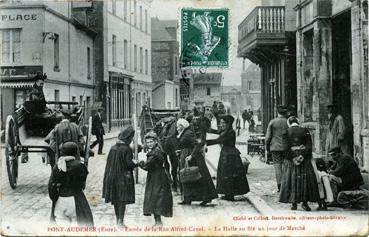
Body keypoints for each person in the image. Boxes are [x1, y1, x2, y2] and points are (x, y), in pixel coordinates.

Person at [279, 117, 320, 211]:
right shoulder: (305, 131)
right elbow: (309, 146)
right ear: (298, 122)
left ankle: (294, 204)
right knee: (305, 180)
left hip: (292, 160)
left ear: (289, 123)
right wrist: (302, 155)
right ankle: (305, 204)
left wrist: (293, 157)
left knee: (292, 180)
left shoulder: (286, 132)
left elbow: (285, 149)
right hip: (304, 159)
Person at [48, 142, 94, 226]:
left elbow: (51, 186)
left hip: (60, 200)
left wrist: (55, 198)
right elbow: (82, 184)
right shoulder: (80, 166)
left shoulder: (57, 166)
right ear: (76, 153)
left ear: (62, 153)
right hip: (75, 200)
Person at [102, 126, 139, 228]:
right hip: (122, 178)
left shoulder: (113, 148)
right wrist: (135, 163)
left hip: (112, 176)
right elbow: (128, 164)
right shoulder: (126, 149)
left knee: (115, 198)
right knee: (122, 199)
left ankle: (117, 219)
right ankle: (120, 221)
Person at [175, 118, 218, 206]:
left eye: (178, 126)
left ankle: (204, 198)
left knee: (195, 177)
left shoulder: (188, 133)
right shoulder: (185, 133)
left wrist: (191, 155)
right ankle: (188, 198)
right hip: (187, 154)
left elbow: (196, 144)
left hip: (193, 158)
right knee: (187, 177)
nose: (177, 128)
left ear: (182, 126)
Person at [207, 115, 250, 201]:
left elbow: (219, 140)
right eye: (221, 122)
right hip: (226, 154)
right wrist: (207, 129)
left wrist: (205, 143)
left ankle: (230, 195)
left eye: (223, 123)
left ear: (228, 123)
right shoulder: (226, 130)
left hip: (230, 156)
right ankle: (227, 193)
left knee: (229, 175)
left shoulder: (231, 132)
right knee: (225, 174)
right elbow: (217, 132)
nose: (221, 124)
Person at [138, 131, 173, 227]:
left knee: (155, 198)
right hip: (158, 175)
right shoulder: (157, 150)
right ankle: (157, 221)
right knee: (156, 198)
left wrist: (139, 163)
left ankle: (158, 222)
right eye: (147, 142)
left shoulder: (155, 153)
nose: (149, 144)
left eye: (151, 142)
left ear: (155, 141)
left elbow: (147, 166)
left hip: (156, 177)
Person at [265, 105, 289, 192]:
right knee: (286, 165)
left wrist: (267, 147)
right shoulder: (288, 122)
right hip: (286, 148)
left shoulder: (273, 122)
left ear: (277, 112)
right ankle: (287, 185)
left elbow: (268, 137)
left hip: (275, 147)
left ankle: (280, 186)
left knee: (277, 166)